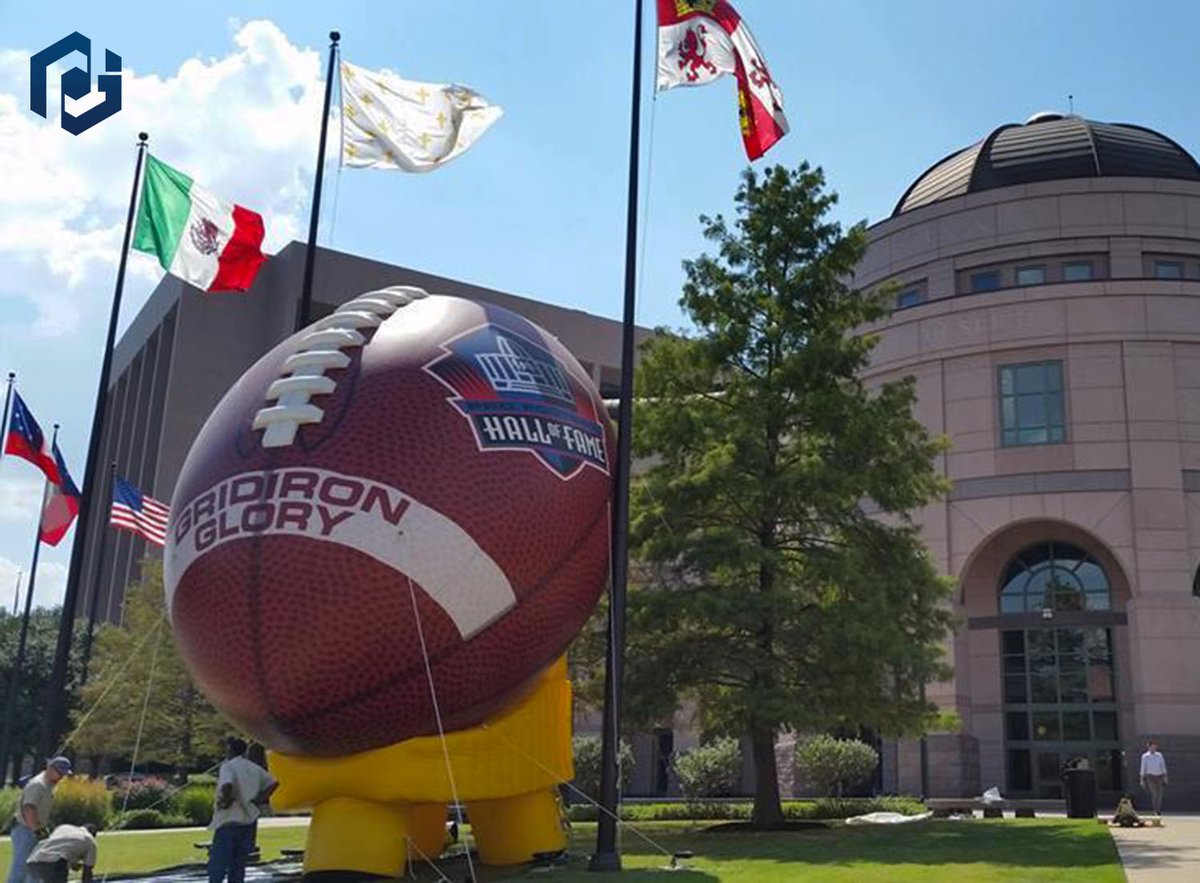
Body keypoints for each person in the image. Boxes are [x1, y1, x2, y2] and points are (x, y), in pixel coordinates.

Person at [209, 737, 277, 883]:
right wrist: (259, 799)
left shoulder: (228, 766)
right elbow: (273, 782)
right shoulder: (252, 767)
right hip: (248, 821)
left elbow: (227, 784)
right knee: (238, 865)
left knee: (218, 865)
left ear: (230, 750)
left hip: (228, 820)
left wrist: (225, 801)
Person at [6, 757, 72, 883]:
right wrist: (37, 830)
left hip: (34, 829)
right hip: (25, 830)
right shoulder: (38, 784)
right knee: (21, 867)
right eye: (60, 773)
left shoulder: (49, 784)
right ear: (50, 768)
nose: (61, 777)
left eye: (64, 774)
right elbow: (29, 809)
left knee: (35, 867)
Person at [24, 824, 98, 883]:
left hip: (33, 860)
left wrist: (72, 863)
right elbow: (87, 873)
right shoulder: (90, 840)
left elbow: (57, 847)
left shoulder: (63, 827)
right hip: (54, 863)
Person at [1140, 739, 1168, 816]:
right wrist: (1142, 779)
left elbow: (1163, 766)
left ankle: (1158, 808)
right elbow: (1143, 768)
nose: (1153, 748)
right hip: (1150, 776)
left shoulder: (1159, 755)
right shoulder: (1145, 756)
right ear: (1148, 747)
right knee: (1154, 793)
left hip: (1159, 776)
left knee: (1160, 794)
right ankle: (1155, 810)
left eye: (1154, 746)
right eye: (1151, 746)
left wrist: (1165, 777)